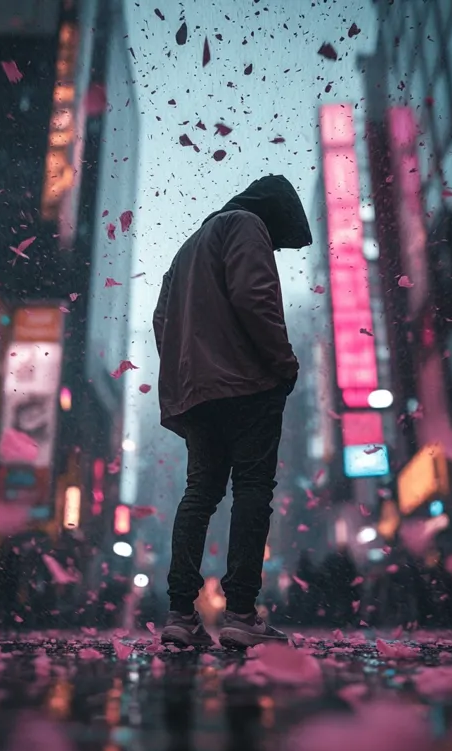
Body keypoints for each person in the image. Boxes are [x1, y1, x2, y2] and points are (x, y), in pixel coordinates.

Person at [153, 175, 312, 649]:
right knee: (252, 489)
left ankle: (180, 614)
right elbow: (254, 296)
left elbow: (162, 320)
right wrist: (284, 363)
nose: (277, 248)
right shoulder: (245, 224)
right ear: (275, 212)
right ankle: (242, 612)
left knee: (200, 493)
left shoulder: (189, 247)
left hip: (197, 392)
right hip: (247, 383)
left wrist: (189, 369)